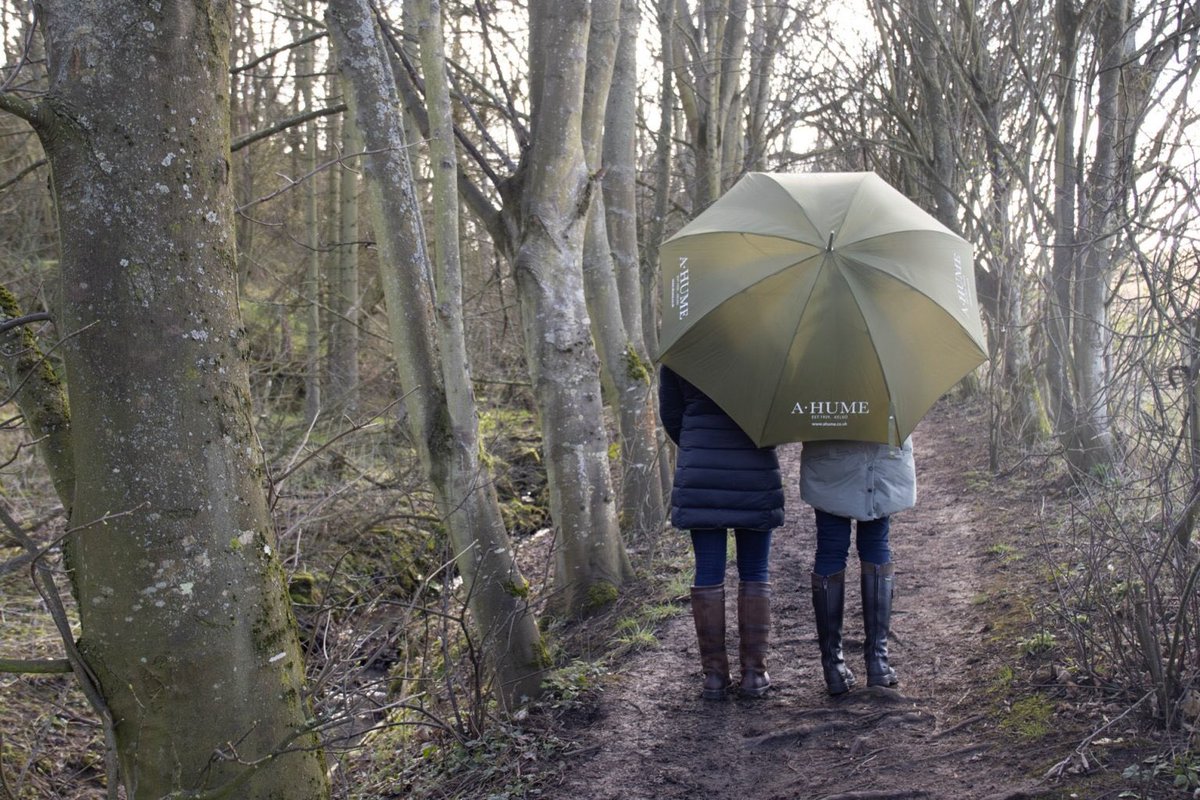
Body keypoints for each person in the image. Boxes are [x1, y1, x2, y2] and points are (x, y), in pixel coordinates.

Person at [658, 365, 784, 699]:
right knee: (755, 570)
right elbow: (781, 418)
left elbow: (671, 415)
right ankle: (754, 675)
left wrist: (699, 444)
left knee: (708, 570)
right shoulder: (771, 349)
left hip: (701, 469)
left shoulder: (683, 351)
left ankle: (714, 677)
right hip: (755, 467)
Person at [800, 437, 916, 694]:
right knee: (876, 544)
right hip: (880, 451)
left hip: (828, 453)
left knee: (830, 549)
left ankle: (833, 668)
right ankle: (878, 662)